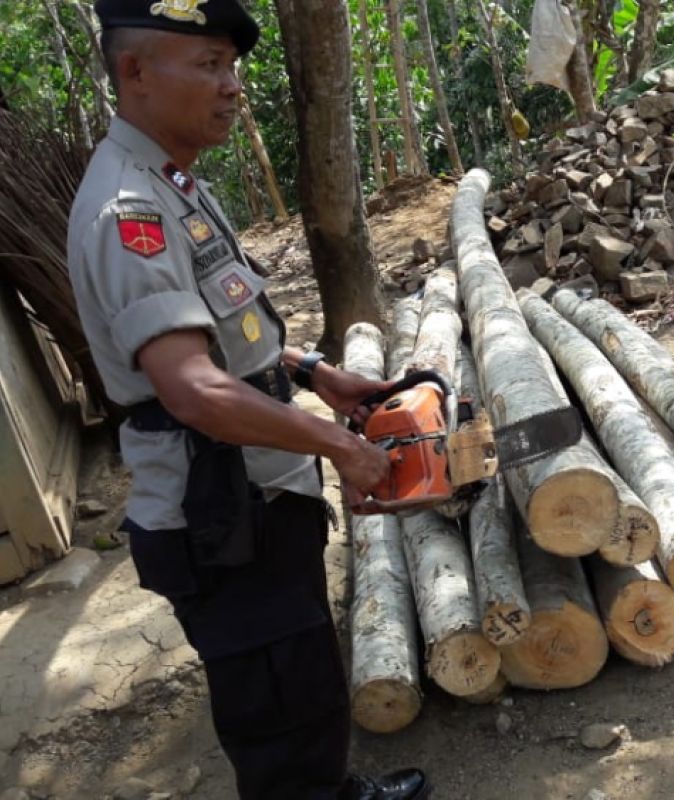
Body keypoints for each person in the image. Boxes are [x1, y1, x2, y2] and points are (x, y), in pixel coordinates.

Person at [67, 2, 430, 798]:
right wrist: (341, 446)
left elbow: (222, 326)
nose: (233, 88)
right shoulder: (127, 212)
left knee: (302, 678)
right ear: (135, 73)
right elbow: (193, 390)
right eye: (208, 66)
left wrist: (312, 372)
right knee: (277, 714)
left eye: (232, 67)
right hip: (222, 516)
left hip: (259, 491)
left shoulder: (173, 183)